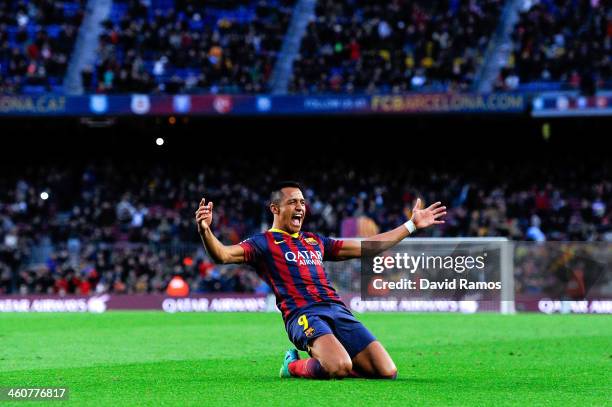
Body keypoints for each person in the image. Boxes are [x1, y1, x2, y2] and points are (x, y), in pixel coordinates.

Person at [195, 181, 446, 379]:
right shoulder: (261, 243)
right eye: (293, 202)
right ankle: (293, 366)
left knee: (387, 371)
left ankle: (334, 363)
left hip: (337, 310)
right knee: (338, 367)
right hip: (303, 314)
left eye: (303, 202)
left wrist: (411, 225)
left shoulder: (315, 241)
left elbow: (368, 247)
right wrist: (206, 230)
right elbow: (223, 255)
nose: (300, 207)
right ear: (275, 208)